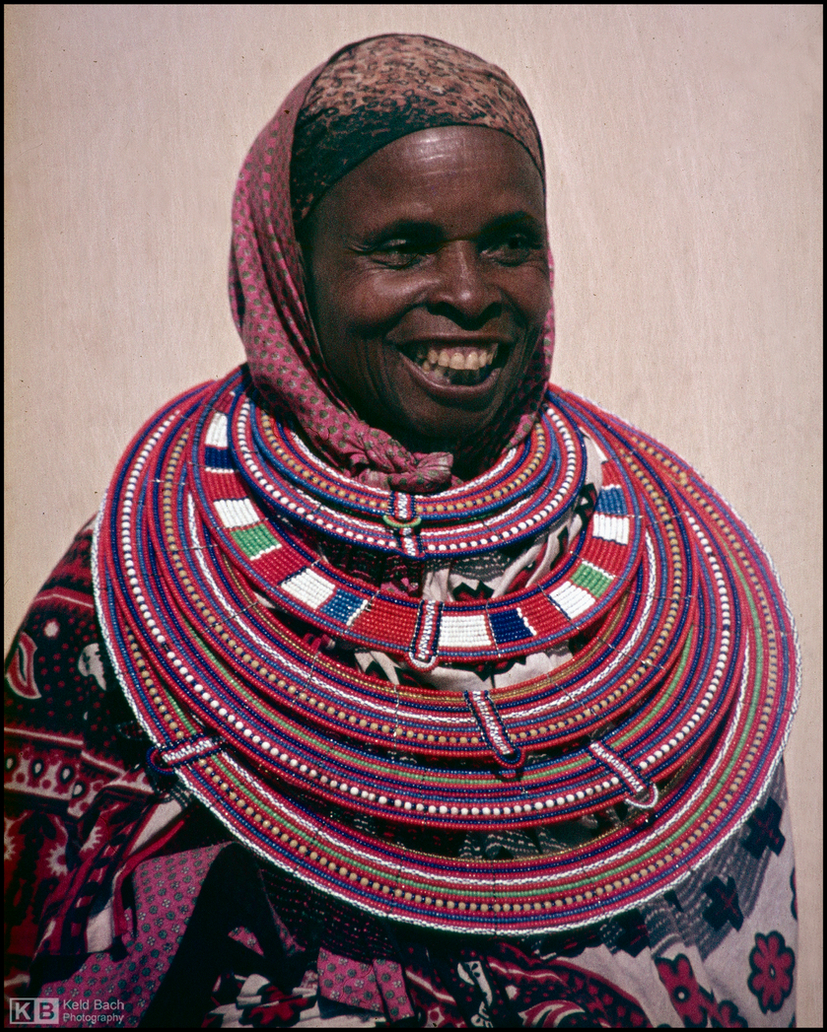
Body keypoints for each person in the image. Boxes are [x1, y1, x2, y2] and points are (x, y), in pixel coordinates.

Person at [5, 34, 799, 1028]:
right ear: (291, 269)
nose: (468, 293)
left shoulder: (670, 581)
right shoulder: (144, 579)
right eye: (402, 248)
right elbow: (52, 960)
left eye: (508, 241)